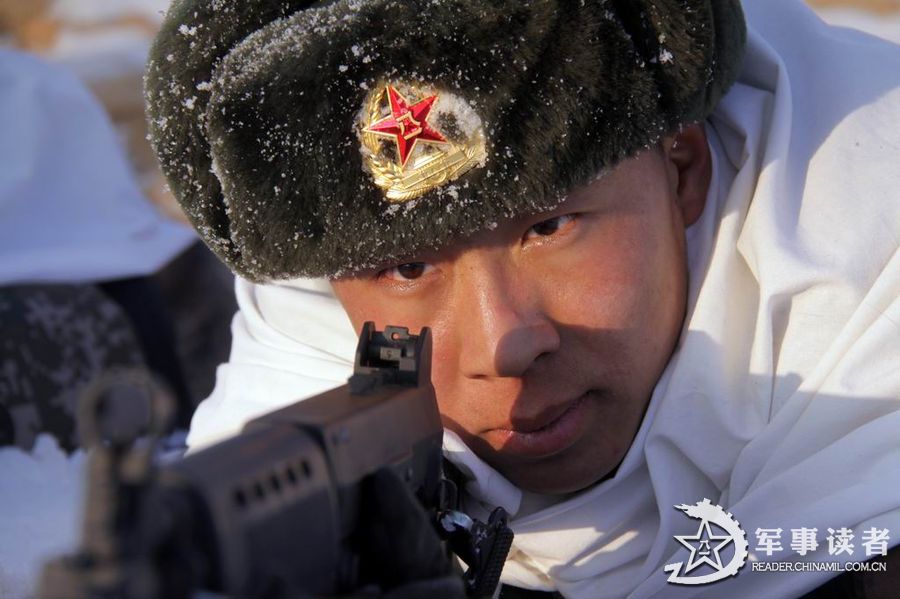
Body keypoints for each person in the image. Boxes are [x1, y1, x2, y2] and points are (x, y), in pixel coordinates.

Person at [146, 0, 900, 597]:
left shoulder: (869, 284)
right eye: (406, 267)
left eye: (551, 225)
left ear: (683, 169)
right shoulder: (296, 408)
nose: (503, 342)